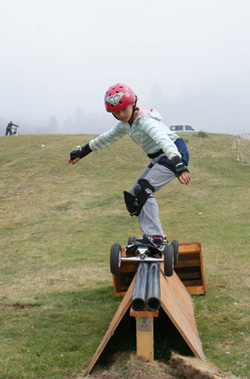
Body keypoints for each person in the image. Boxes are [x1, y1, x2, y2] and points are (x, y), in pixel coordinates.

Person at [69, 83, 190, 247]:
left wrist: (179, 165)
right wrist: (82, 152)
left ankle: (157, 237)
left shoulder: (146, 121)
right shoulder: (125, 125)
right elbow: (106, 138)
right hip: (159, 157)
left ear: (133, 104)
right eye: (116, 112)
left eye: (124, 109)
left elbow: (164, 141)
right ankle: (150, 236)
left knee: (145, 189)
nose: (121, 114)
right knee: (134, 195)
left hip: (174, 153)